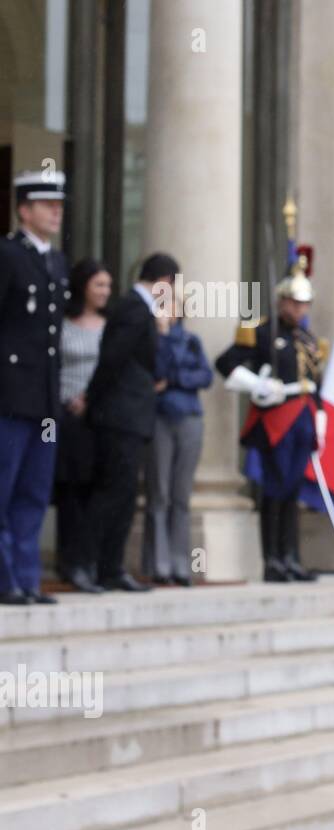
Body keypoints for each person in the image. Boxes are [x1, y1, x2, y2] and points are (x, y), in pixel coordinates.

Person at [215, 255, 327, 583]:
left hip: (303, 417)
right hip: (277, 418)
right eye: (294, 303)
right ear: (282, 301)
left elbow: (315, 383)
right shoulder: (261, 332)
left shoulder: (308, 340)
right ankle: (272, 560)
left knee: (292, 490)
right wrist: (259, 385)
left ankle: (291, 557)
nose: (300, 310)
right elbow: (226, 363)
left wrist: (321, 420)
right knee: (274, 490)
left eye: (304, 304)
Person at [85, 253, 177, 592]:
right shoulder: (133, 310)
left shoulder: (141, 312)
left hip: (131, 416)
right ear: (164, 281)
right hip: (119, 415)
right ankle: (91, 564)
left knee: (123, 495)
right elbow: (112, 360)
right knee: (111, 493)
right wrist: (92, 399)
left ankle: (110, 567)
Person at [0, 170, 68, 605]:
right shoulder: (7, 254)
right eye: (47, 205)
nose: (56, 211)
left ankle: (27, 578)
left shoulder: (56, 261)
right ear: (24, 210)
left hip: (44, 401)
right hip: (10, 397)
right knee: (3, 488)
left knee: (34, 491)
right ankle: (6, 580)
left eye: (59, 205)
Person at [144, 286, 212, 586]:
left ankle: (181, 563)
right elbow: (154, 371)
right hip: (160, 417)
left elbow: (205, 376)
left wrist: (173, 380)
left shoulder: (191, 341)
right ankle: (158, 563)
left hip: (189, 417)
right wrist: (160, 336)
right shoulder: (152, 339)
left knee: (181, 496)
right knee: (158, 492)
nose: (168, 310)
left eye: (172, 305)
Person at [55, 259, 112, 594]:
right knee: (68, 490)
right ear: (83, 287)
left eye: (107, 285)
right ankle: (67, 559)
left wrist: (91, 398)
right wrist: (68, 400)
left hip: (98, 417)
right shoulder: (62, 325)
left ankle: (88, 561)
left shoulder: (110, 327)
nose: (104, 292)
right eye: (98, 285)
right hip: (63, 418)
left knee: (94, 490)